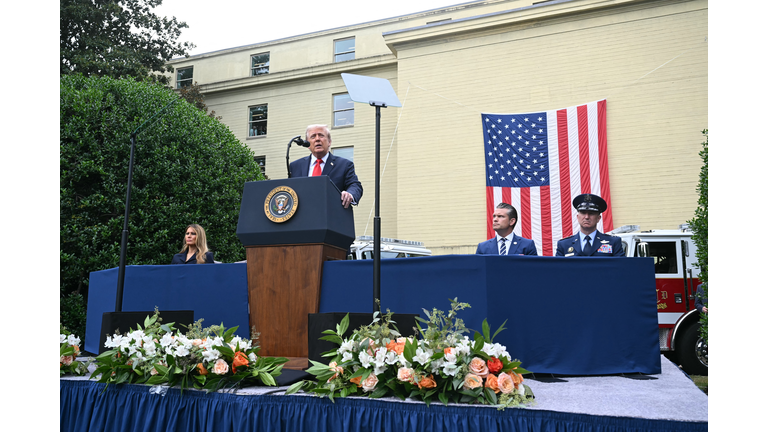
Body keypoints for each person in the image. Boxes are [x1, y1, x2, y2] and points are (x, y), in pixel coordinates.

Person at [289, 124, 363, 208]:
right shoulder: (295, 166)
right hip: (303, 217)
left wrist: (350, 194)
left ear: (329, 142)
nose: (317, 139)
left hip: (331, 216)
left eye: (321, 135)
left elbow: (355, 185)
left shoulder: (344, 165)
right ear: (307, 144)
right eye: (313, 137)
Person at [555, 193, 625, 257]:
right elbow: (558, 269)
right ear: (577, 217)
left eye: (591, 213)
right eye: (583, 213)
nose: (586, 217)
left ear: (598, 218)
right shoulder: (564, 245)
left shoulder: (613, 243)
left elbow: (621, 267)